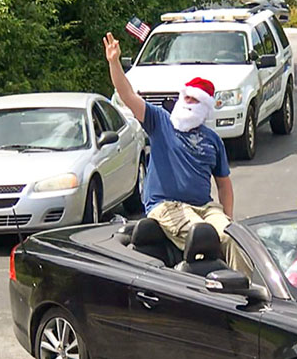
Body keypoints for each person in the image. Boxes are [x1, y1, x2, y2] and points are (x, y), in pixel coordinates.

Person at [103, 32, 250, 275]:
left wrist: (228, 216)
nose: (189, 102)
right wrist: (114, 62)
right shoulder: (159, 122)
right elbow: (127, 95)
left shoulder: (212, 140)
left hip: (204, 206)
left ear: (205, 108)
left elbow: (224, 184)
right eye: (186, 97)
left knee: (233, 238)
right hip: (166, 206)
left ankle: (249, 292)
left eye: (196, 100)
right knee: (204, 236)